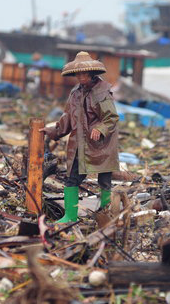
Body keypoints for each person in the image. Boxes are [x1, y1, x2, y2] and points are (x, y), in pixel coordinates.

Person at [41, 51, 119, 223]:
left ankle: (107, 215)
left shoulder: (103, 91)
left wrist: (100, 128)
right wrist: (53, 130)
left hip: (101, 145)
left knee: (104, 181)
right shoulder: (75, 93)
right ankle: (70, 216)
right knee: (72, 179)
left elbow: (111, 118)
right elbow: (67, 118)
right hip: (79, 144)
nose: (81, 76)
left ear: (91, 73)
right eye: (78, 73)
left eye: (84, 73)